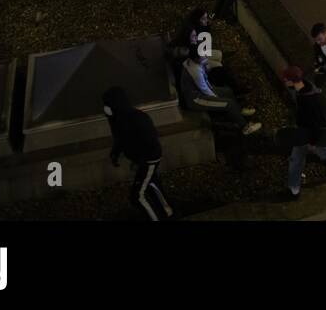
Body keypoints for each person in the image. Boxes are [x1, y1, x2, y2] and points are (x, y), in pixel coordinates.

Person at [280, 65, 326, 202]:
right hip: (308, 133)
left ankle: (294, 189)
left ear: (291, 80)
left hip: (309, 134)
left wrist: (311, 142)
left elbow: (315, 123)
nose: (284, 80)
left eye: (285, 78)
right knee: (321, 153)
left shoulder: (306, 99)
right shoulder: (306, 90)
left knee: (304, 157)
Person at [103, 86, 174, 220]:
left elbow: (149, 141)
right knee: (152, 183)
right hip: (144, 160)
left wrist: (140, 161)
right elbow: (120, 139)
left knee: (137, 196)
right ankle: (167, 211)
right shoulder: (120, 119)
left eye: (108, 105)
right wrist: (116, 153)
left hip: (148, 160)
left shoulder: (136, 119)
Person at [179, 46, 262, 135]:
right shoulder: (195, 71)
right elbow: (205, 90)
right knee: (228, 103)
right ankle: (245, 127)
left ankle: (238, 111)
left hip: (202, 90)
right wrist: (216, 98)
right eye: (202, 56)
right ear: (195, 58)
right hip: (197, 99)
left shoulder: (193, 61)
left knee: (228, 92)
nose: (204, 57)